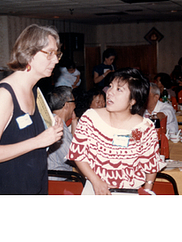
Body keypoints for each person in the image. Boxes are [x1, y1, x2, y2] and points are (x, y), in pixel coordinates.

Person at [0, 24, 64, 194]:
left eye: (57, 53)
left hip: (34, 183)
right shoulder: (5, 95)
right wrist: (39, 141)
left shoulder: (35, 91)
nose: (56, 60)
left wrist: (50, 122)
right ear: (30, 53)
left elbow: (23, 131)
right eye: (50, 53)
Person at [67, 67, 166, 195]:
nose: (110, 92)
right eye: (111, 86)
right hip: (95, 189)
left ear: (133, 100)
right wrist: (96, 182)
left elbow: (150, 164)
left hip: (130, 192)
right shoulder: (91, 118)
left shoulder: (143, 128)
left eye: (119, 89)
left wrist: (147, 190)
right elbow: (78, 154)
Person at [46, 86, 77, 180]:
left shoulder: (51, 120)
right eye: (74, 102)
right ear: (67, 105)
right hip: (60, 181)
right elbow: (73, 157)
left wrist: (74, 121)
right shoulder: (57, 125)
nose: (75, 106)